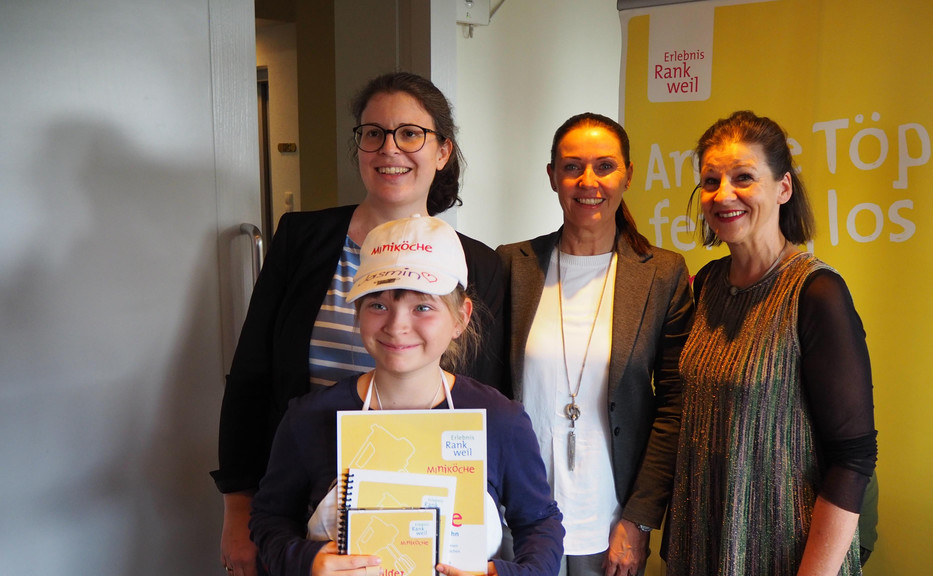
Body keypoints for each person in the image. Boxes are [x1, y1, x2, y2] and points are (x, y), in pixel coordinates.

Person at [213, 72, 507, 576]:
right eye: (374, 133)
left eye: (410, 133)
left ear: (442, 151)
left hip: (430, 515)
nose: (390, 148)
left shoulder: (477, 265)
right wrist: (239, 510)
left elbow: (483, 399)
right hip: (301, 510)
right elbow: (251, 376)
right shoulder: (302, 239)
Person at [249, 215, 563, 576]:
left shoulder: (500, 419)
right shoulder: (308, 418)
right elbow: (270, 518)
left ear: (461, 317)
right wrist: (307, 561)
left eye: (422, 307)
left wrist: (506, 574)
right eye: (378, 305)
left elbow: (540, 523)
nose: (397, 326)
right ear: (358, 312)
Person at [664, 110, 877, 576]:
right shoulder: (706, 284)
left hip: (783, 550)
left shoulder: (816, 293)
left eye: (744, 177)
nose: (723, 194)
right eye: (711, 181)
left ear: (783, 188)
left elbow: (853, 459)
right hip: (701, 541)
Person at [497, 113, 693, 576]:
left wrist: (639, 520)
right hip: (517, 520)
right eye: (572, 167)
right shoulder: (512, 265)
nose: (589, 181)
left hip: (608, 524)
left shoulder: (661, 274)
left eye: (605, 166)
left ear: (628, 174)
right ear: (552, 176)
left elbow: (675, 407)